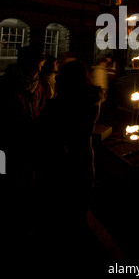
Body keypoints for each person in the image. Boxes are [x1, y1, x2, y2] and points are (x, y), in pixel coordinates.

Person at [38, 60, 103, 230]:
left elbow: (46, 130)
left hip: (60, 155)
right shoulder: (92, 100)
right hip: (83, 150)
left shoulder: (57, 105)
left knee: (60, 197)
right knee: (81, 193)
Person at [0, 46, 46, 233]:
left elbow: (41, 108)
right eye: (35, 66)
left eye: (40, 66)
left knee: (29, 180)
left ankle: (24, 215)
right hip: (11, 140)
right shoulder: (7, 85)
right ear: (24, 64)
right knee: (11, 179)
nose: (38, 70)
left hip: (31, 140)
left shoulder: (39, 85)